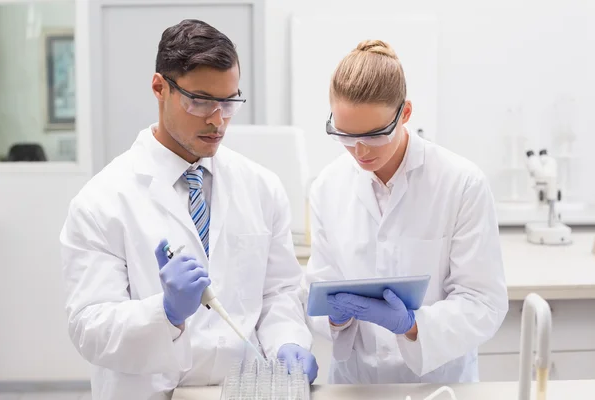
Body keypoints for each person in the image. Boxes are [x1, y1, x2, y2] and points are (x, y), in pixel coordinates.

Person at [60, 19, 317, 399]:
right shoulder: (101, 201)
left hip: (240, 391)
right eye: (199, 101)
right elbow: (89, 327)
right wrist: (165, 313)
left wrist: (288, 342)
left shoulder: (261, 187)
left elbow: (277, 293)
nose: (218, 119)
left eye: (229, 102)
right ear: (159, 88)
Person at [304, 40, 508, 384]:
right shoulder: (328, 186)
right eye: (345, 134)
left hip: (440, 383)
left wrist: (413, 325)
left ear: (406, 113)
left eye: (374, 134)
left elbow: (483, 302)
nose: (359, 150)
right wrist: (335, 318)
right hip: (357, 384)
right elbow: (321, 287)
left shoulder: (461, 183)